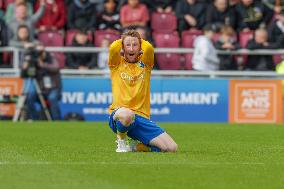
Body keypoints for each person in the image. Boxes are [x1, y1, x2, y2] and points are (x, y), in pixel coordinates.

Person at [108, 30, 178, 152]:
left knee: (171, 148)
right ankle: (121, 141)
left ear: (140, 47)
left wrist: (137, 40)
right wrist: (126, 39)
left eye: (135, 45)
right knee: (127, 114)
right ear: (123, 47)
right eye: (127, 45)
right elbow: (113, 47)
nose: (131, 48)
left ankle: (137, 147)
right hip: (119, 115)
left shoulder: (146, 64)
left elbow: (149, 48)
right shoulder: (116, 63)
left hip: (141, 118)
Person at [21, 44, 62, 120]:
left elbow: (56, 68)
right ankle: (35, 119)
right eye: (37, 52)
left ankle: (57, 121)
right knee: (29, 97)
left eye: (41, 51)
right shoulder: (34, 62)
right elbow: (24, 75)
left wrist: (43, 65)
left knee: (52, 98)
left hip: (54, 89)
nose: (39, 54)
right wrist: (26, 63)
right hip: (41, 90)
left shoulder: (51, 58)